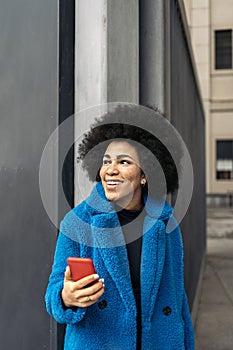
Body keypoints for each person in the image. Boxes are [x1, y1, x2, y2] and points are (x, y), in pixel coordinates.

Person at [45, 105, 194, 349]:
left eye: (124, 162)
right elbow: (54, 294)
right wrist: (67, 297)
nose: (110, 170)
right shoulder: (78, 223)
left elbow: (178, 301)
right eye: (106, 161)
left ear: (144, 173)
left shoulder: (166, 223)